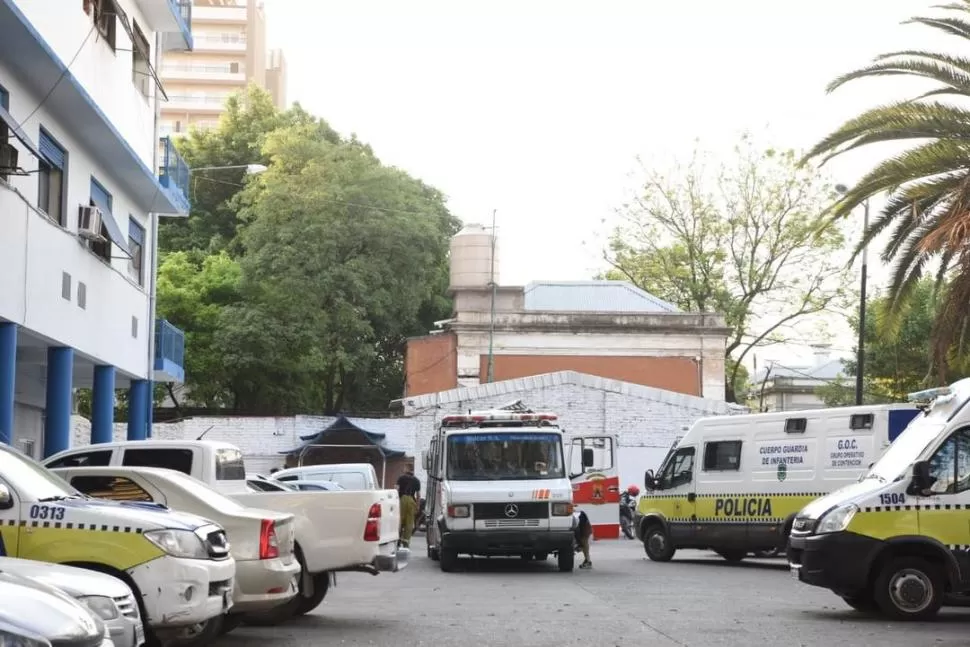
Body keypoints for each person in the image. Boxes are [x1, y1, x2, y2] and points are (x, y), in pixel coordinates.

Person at [397, 469, 421, 547]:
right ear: (413, 472)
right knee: (409, 522)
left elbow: (396, 490)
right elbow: (418, 495)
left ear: (405, 470)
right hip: (411, 501)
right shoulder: (417, 480)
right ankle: (406, 541)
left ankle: (398, 539)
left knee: (400, 521)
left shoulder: (401, 478)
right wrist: (417, 506)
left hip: (402, 500)